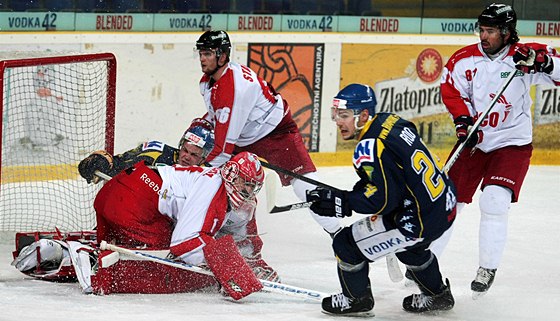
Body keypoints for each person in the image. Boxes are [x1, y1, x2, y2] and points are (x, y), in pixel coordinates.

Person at [440, 3, 560, 298]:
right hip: (475, 141)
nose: (484, 36)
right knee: (446, 202)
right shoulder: (463, 60)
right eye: (482, 30)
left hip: (512, 143)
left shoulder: (525, 55)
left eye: (491, 31)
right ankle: (424, 259)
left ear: (507, 33)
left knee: (494, 201)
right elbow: (452, 91)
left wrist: (542, 63)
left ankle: (487, 267)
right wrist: (464, 123)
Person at [305, 83, 457, 316]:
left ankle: (356, 300)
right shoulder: (390, 120)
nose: (338, 121)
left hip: (416, 220)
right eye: (336, 115)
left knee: (346, 244)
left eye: (344, 115)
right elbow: (392, 178)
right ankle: (438, 296)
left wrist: (342, 202)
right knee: (410, 250)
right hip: (444, 205)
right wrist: (351, 195)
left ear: (364, 115)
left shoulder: (369, 145)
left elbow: (383, 200)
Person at [77, 123, 279, 282]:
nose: (186, 157)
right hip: (135, 206)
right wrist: (105, 161)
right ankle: (101, 262)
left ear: (204, 158)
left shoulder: (208, 178)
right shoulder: (159, 152)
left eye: (194, 155)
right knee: (170, 252)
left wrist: (250, 260)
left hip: (135, 207)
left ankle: (79, 255)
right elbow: (121, 164)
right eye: (185, 150)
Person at [193, 30, 341, 237]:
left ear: (223, 56)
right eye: (200, 53)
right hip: (242, 132)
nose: (202, 58)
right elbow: (217, 119)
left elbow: (223, 151)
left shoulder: (234, 89)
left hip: (276, 133)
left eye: (208, 53)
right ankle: (224, 227)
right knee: (217, 170)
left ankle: (337, 231)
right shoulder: (208, 82)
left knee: (303, 184)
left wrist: (194, 177)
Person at [93, 151, 265, 300]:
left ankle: (80, 255)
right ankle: (107, 273)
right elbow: (183, 244)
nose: (249, 191)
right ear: (232, 175)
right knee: (169, 267)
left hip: (119, 192)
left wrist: (256, 264)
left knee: (105, 246)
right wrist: (224, 269)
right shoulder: (213, 188)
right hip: (133, 202)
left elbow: (240, 237)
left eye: (253, 186)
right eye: (246, 183)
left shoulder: (218, 186)